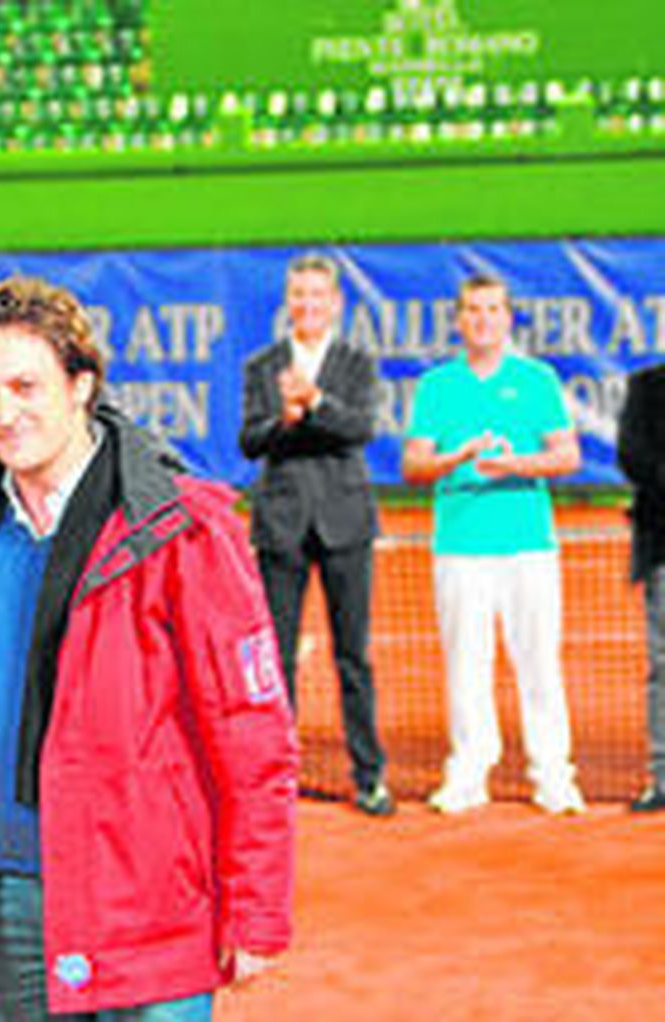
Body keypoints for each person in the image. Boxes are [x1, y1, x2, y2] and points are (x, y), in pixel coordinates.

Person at [0, 277, 297, 1020]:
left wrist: (257, 909)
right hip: (12, 899)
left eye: (25, 385)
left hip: (149, 900)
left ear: (81, 382)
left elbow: (252, 733)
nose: (5, 412)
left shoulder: (185, 525)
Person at [401, 273, 585, 815]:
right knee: (466, 662)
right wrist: (454, 459)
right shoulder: (437, 386)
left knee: (538, 661)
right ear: (459, 320)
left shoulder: (537, 379)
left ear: (508, 318)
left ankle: (553, 775)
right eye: (473, 310)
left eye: (492, 310)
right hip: (460, 546)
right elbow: (413, 464)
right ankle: (468, 773)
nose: (483, 319)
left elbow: (567, 456)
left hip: (529, 544)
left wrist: (513, 465)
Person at [239, 253, 391, 816]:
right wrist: (284, 417)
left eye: (317, 295)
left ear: (335, 304)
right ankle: (275, 778)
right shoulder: (263, 366)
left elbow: (361, 428)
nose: (307, 304)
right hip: (281, 524)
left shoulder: (355, 363)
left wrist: (316, 404)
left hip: (346, 522)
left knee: (353, 656)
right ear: (288, 302)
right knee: (275, 659)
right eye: (298, 295)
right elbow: (249, 441)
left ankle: (370, 776)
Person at [617, 359, 665, 812]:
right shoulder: (646, 387)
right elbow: (632, 456)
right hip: (663, 543)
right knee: (664, 665)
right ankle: (663, 777)